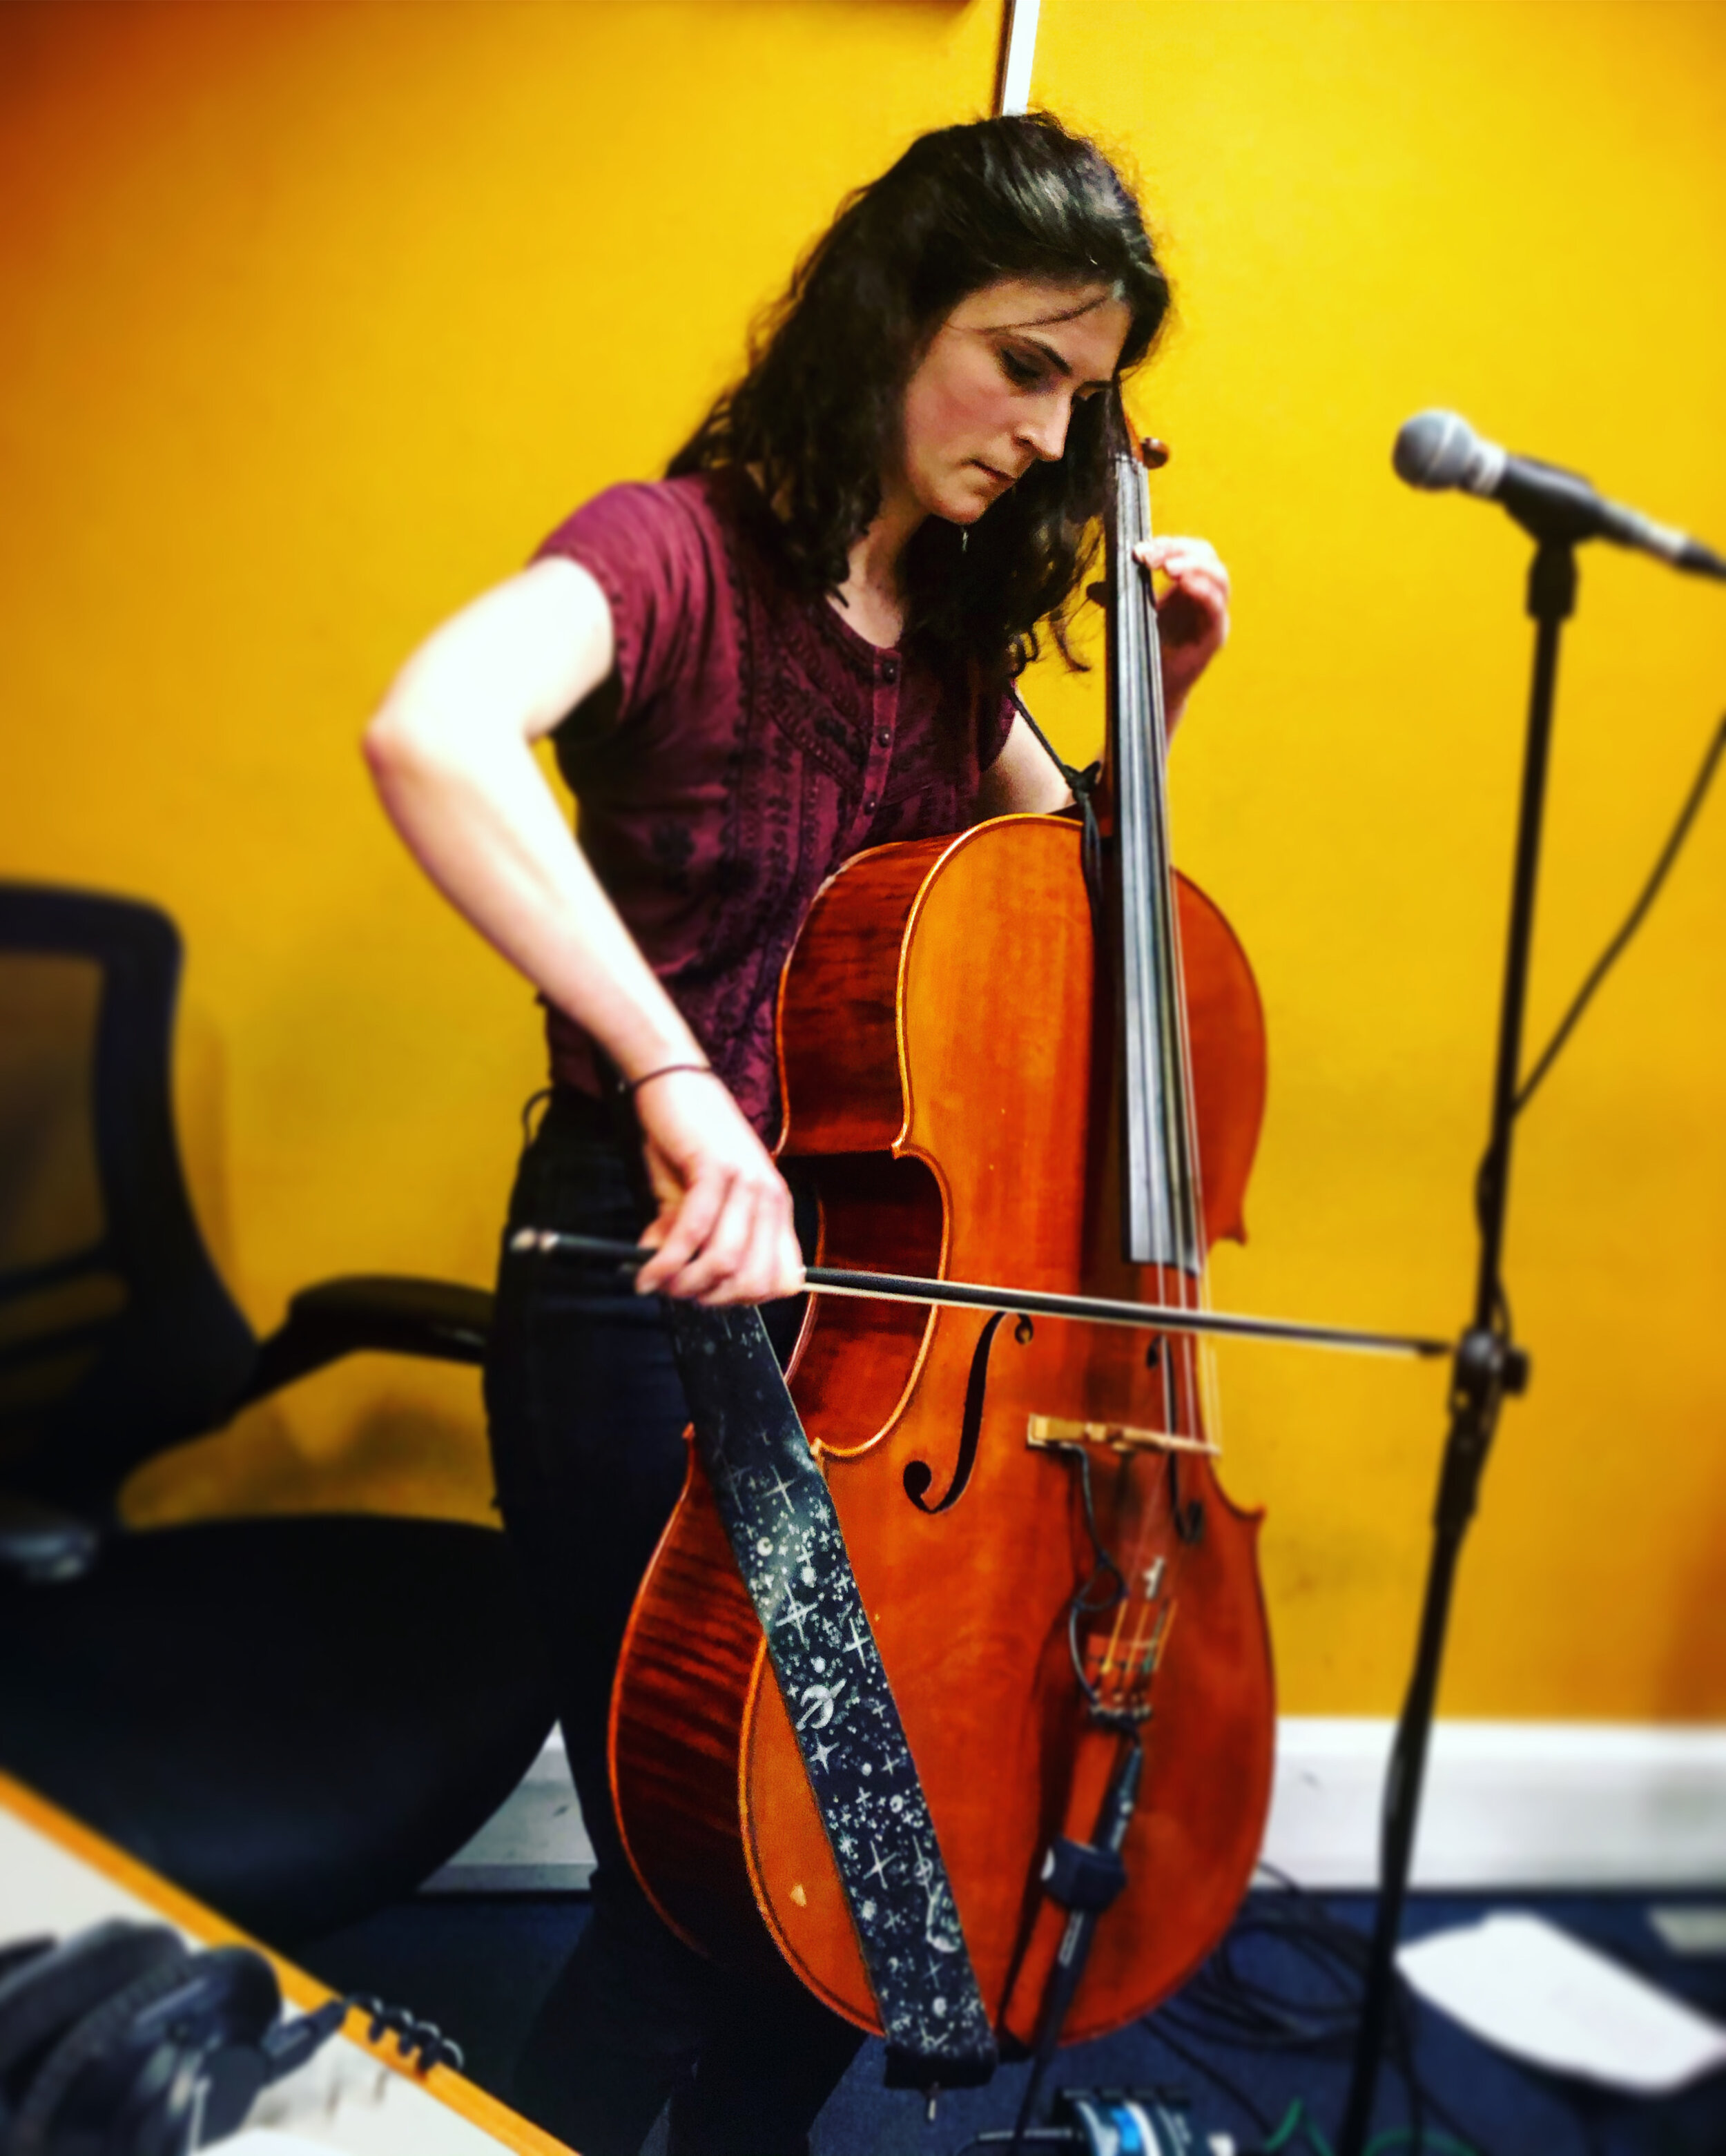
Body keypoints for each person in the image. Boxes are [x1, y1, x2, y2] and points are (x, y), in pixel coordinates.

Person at [365, 111, 1230, 2156]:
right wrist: (678, 1083)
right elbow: (433, 729)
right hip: (640, 1285)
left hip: (863, 1322)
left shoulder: (945, 653)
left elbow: (1073, 920)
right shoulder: (671, 556)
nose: (1049, 430)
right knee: (694, 1887)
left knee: (856, 1885)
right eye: (1021, 362)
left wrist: (1163, 696)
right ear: (893, 313)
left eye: (1083, 393)